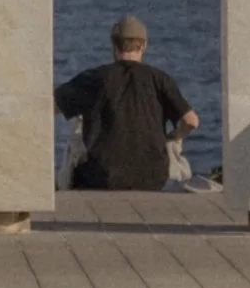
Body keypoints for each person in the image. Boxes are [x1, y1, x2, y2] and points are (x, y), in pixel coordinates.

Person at [54, 16, 199, 191]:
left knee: (75, 146)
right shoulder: (160, 79)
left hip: (102, 178)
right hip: (153, 178)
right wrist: (174, 137)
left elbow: (53, 105)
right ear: (144, 46)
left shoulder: (95, 78)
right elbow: (191, 121)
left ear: (114, 46)